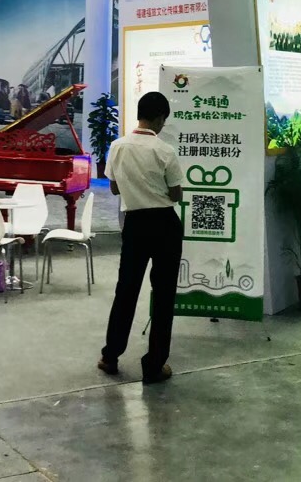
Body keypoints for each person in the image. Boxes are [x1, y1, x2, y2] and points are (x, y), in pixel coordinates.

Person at [99, 90, 184, 384]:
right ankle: (154, 365)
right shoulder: (165, 151)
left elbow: (113, 188)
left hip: (134, 225)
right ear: (159, 118)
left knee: (126, 290)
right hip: (165, 224)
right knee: (163, 295)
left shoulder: (117, 146)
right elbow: (176, 194)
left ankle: (110, 356)